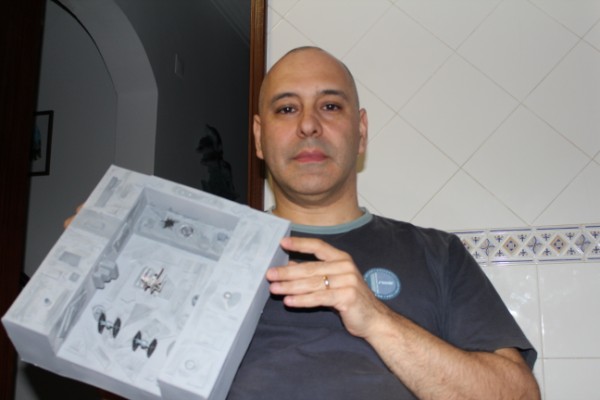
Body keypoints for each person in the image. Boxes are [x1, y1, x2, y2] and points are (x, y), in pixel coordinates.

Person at [225, 46, 540, 400]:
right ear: (259, 137)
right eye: (287, 109)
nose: (309, 125)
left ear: (361, 132)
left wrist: (376, 318)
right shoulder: (218, 250)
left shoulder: (439, 255)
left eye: (330, 106)